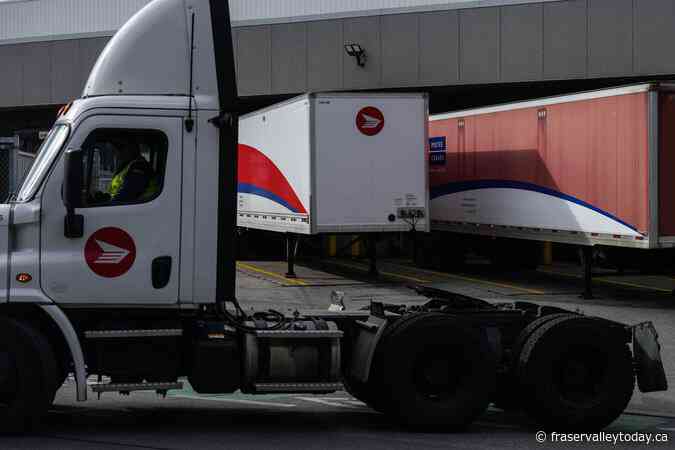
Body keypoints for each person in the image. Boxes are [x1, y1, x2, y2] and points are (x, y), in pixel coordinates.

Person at [91, 137, 159, 204]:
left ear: (131, 150)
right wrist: (105, 197)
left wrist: (107, 203)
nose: (117, 152)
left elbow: (127, 195)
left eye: (120, 149)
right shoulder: (129, 165)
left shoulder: (139, 167)